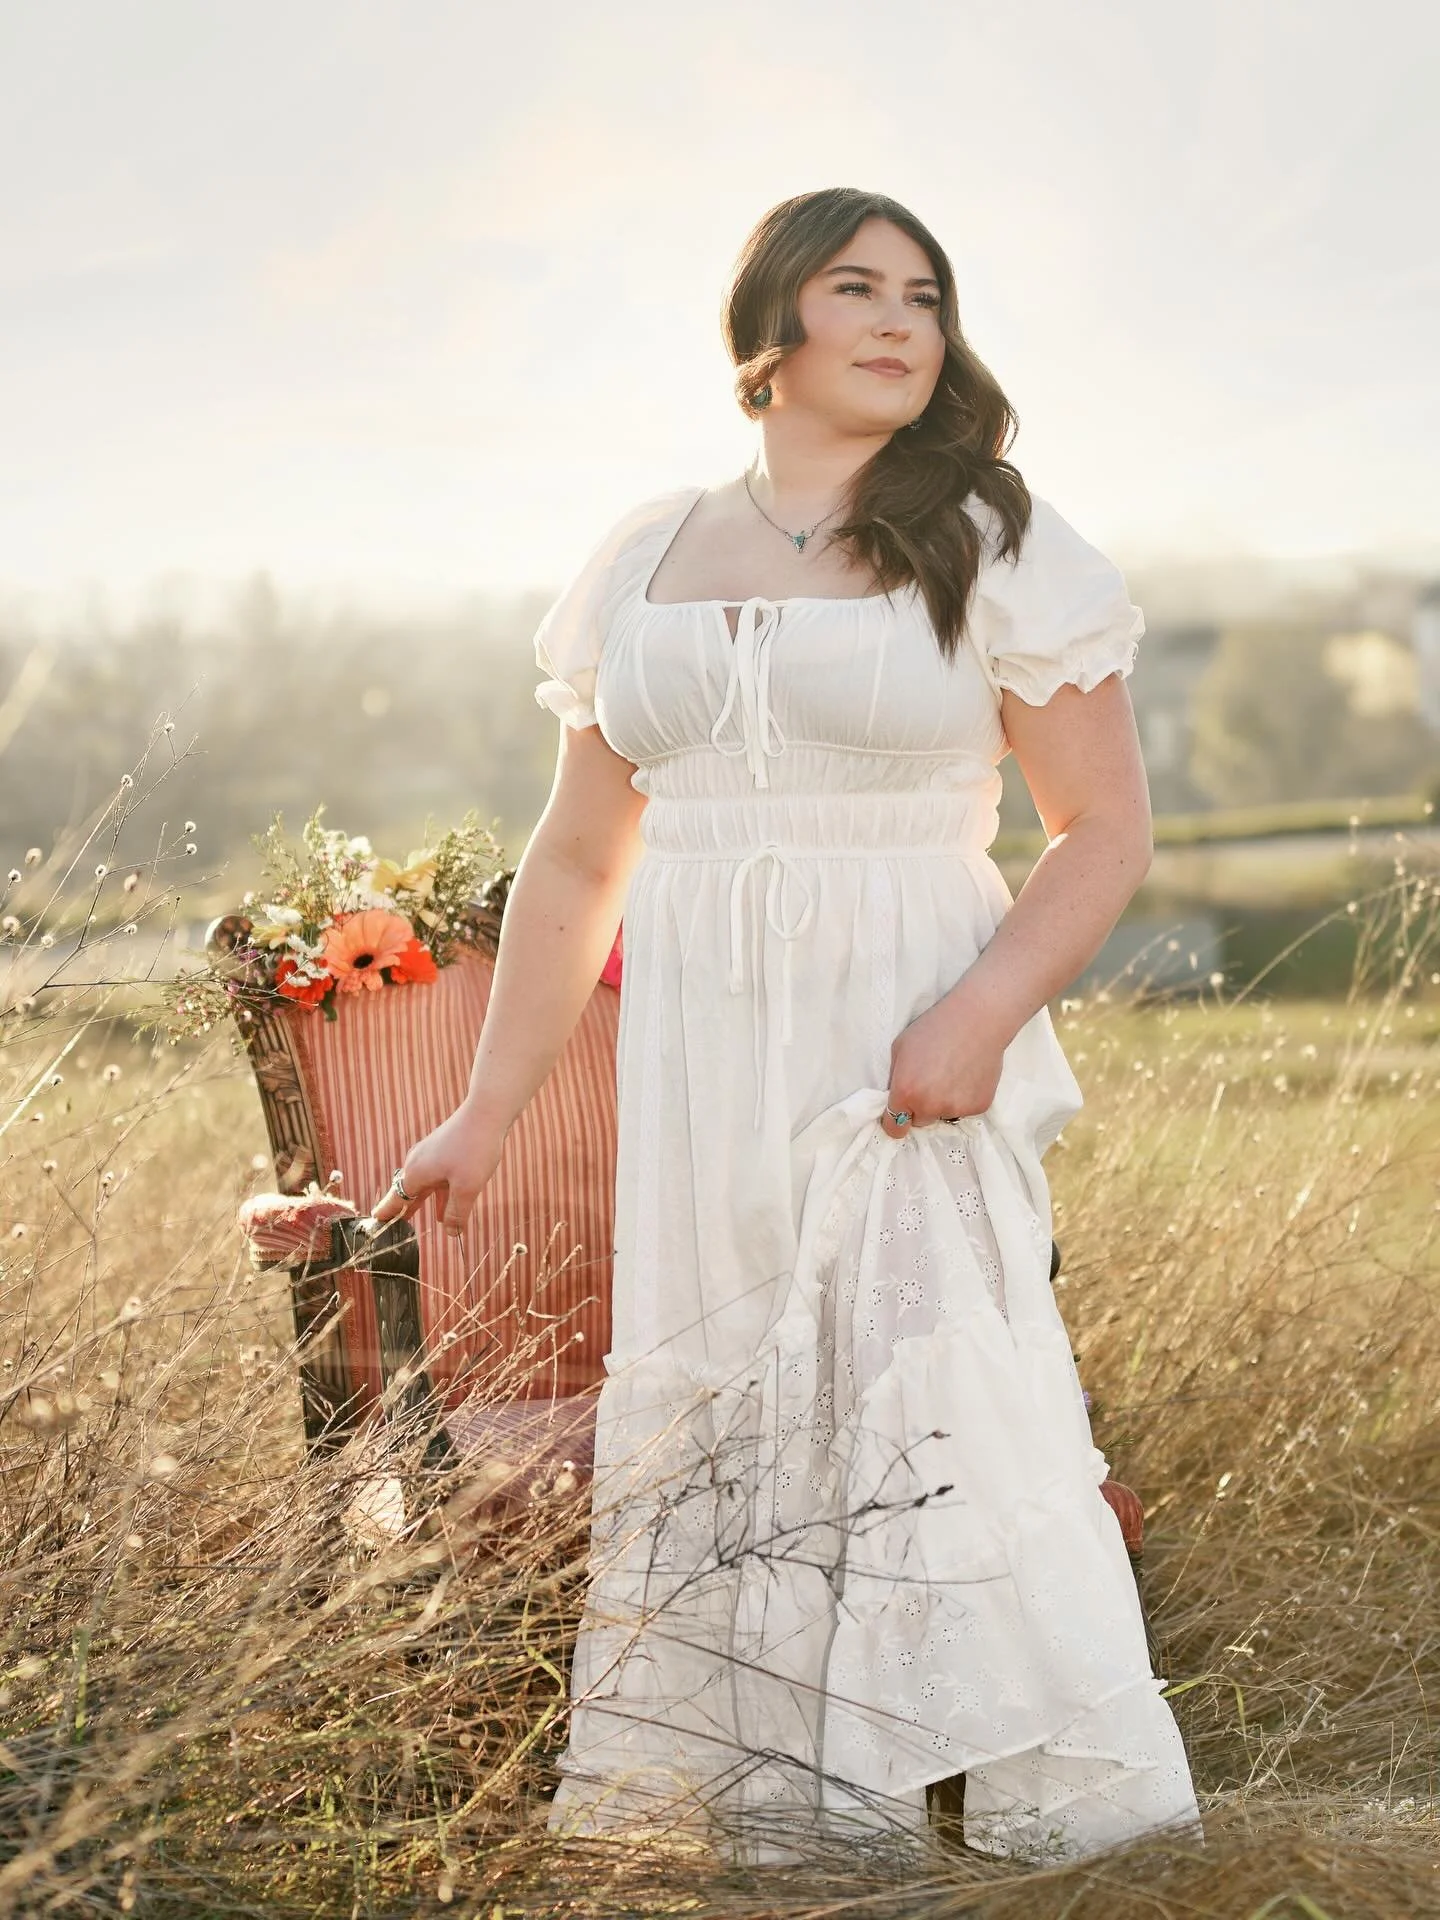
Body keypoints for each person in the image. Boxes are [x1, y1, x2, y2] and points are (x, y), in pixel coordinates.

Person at [370, 186, 1203, 1868]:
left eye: (927, 296)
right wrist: (485, 1108)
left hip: (906, 1039)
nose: (903, 322)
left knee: (940, 1401)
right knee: (736, 1406)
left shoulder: (996, 536)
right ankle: (788, 1832)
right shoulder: (647, 553)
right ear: (771, 329)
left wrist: (976, 1014)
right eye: (858, 288)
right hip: (704, 1061)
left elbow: (1102, 831)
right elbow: (584, 854)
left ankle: (1060, 1835)